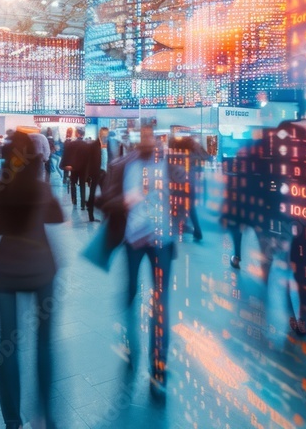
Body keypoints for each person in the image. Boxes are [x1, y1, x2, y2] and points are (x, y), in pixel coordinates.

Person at [99, 125, 187, 402]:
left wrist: (176, 219)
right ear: (139, 138)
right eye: (145, 135)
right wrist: (124, 201)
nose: (149, 140)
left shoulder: (170, 165)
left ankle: (158, 366)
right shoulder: (123, 165)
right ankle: (129, 340)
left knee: (161, 302)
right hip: (133, 241)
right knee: (130, 293)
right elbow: (104, 200)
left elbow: (184, 196)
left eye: (153, 135)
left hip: (162, 241)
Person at [0, 128, 63, 429]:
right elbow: (57, 217)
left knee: (6, 345)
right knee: (44, 344)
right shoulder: (39, 188)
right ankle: (44, 414)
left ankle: (12, 421)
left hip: (4, 270)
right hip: (41, 267)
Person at [85, 127, 113, 222]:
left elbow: (110, 158)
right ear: (100, 134)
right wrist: (88, 177)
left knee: (105, 194)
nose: (105, 136)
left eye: (106, 134)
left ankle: (106, 216)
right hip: (95, 172)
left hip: (105, 172)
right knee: (92, 194)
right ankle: (91, 215)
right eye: (103, 134)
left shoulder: (108, 144)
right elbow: (89, 161)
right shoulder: (93, 145)